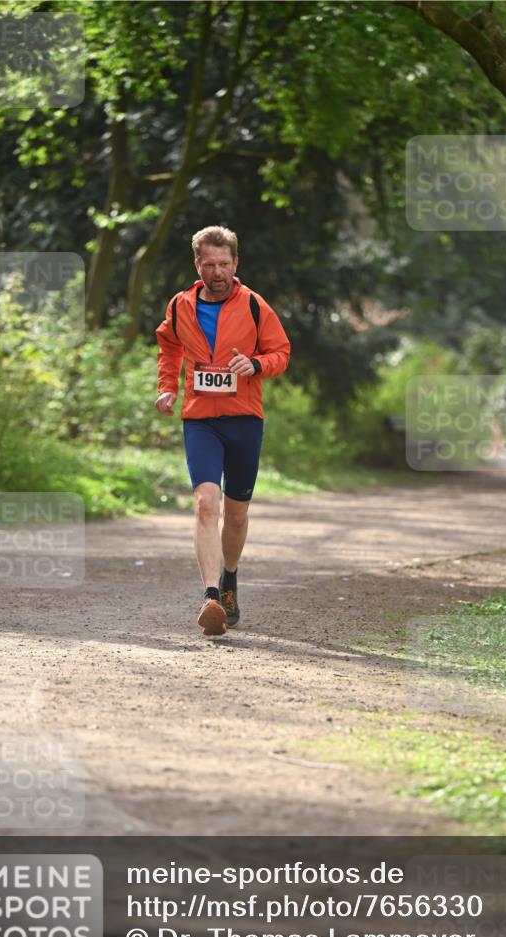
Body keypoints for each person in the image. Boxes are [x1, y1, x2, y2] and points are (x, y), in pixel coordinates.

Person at [154, 226, 291, 635]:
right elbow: (169, 345)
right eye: (209, 264)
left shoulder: (254, 306)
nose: (217, 272)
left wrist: (256, 364)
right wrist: (167, 388)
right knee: (206, 503)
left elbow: (281, 352)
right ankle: (211, 596)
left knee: (236, 513)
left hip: (245, 418)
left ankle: (230, 576)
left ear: (236, 263)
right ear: (197, 264)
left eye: (224, 264)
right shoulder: (181, 306)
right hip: (200, 419)